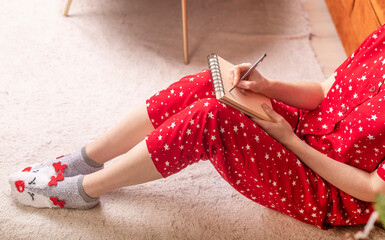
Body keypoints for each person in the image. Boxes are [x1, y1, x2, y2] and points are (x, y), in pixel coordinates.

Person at [9, 24, 385, 230]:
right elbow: (323, 90)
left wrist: (288, 140)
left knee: (211, 119)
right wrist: (267, 86)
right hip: (305, 125)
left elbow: (371, 190)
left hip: (328, 187)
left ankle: (83, 191)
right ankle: (85, 160)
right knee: (214, 82)